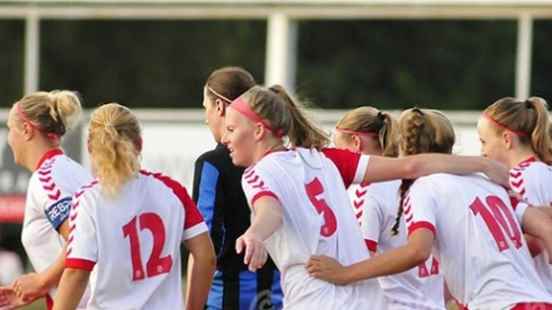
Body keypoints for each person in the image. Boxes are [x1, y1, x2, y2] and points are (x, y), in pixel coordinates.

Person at [221, 85, 509, 308]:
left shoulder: (258, 173)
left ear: (259, 130)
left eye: (231, 129)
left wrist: (255, 234)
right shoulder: (325, 159)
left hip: (315, 298)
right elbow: (412, 165)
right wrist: (482, 164)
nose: (225, 138)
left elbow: (270, 210)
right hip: (367, 302)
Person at [307, 108, 552, 310]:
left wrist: (344, 273)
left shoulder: (423, 188)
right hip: (538, 300)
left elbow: (417, 251)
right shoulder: (486, 183)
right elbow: (544, 224)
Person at [52, 103, 216, 310]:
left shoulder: (88, 199)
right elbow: (206, 257)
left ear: (90, 147)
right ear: (139, 144)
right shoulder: (172, 191)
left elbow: (76, 273)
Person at [334, 107, 445, 310]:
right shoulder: (423, 182)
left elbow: (357, 261)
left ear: (356, 143)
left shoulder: (365, 190)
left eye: (337, 148)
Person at [194, 67, 283, 310]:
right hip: (280, 295)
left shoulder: (212, 164)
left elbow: (203, 245)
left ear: (220, 107)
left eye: (206, 108)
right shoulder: (285, 159)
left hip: (228, 297)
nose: (206, 117)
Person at [0, 90, 92, 310]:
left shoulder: (47, 179)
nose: (9, 139)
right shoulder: (72, 171)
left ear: (26, 129)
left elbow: (80, 239)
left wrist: (42, 281)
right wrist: (41, 286)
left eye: (10, 130)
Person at [478, 96, 552, 293]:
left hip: (537, 291)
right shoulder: (542, 171)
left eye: (484, 142)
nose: (482, 152)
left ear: (507, 139)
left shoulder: (520, 178)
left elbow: (536, 240)